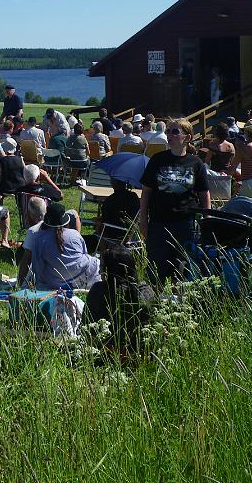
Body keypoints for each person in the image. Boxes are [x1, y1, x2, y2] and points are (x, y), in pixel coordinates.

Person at [138, 117, 211, 287]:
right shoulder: (157, 159)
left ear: (187, 137)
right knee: (156, 271)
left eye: (175, 131)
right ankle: (152, 306)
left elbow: (204, 193)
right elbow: (146, 192)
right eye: (168, 131)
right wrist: (143, 220)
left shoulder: (196, 163)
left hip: (185, 224)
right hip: (158, 223)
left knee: (183, 271)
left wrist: (206, 221)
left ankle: (179, 308)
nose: (170, 135)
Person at [84, 246, 156, 354]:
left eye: (102, 267)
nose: (99, 271)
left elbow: (87, 327)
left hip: (107, 352)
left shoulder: (98, 291)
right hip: (143, 352)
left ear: (108, 270)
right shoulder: (146, 290)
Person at [23, 202, 99, 291]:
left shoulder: (39, 239)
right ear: (66, 222)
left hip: (56, 282)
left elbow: (38, 268)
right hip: (87, 276)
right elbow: (84, 254)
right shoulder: (74, 234)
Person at [85, 178, 140, 253]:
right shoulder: (134, 197)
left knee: (85, 239)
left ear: (114, 183)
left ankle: (103, 258)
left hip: (111, 238)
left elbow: (104, 224)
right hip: (131, 236)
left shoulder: (110, 201)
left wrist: (98, 224)